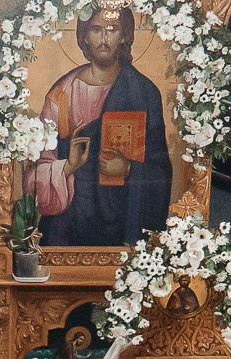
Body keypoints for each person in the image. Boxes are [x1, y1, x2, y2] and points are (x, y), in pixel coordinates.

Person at [24, 7, 172, 247]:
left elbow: (161, 169)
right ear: (84, 36)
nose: (104, 39)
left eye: (112, 30)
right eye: (96, 30)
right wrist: (69, 166)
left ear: (124, 36)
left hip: (124, 219)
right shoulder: (62, 94)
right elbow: (35, 170)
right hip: (70, 221)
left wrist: (129, 170)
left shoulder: (145, 93)